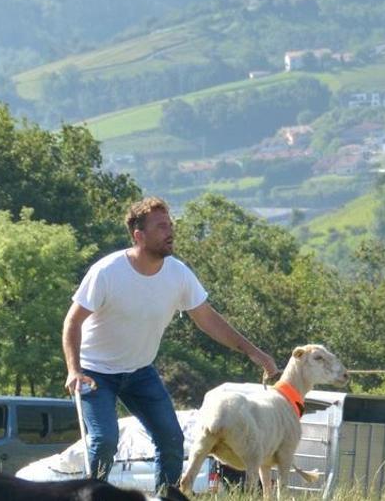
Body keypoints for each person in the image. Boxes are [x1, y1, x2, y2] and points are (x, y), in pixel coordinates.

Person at [62, 197, 278, 498]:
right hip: (95, 373)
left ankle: (165, 498)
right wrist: (74, 370)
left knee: (172, 440)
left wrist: (254, 352)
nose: (170, 231)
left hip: (140, 372)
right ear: (139, 235)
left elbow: (209, 320)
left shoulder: (178, 274)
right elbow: (72, 323)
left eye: (170, 225)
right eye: (161, 226)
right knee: (105, 440)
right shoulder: (107, 272)